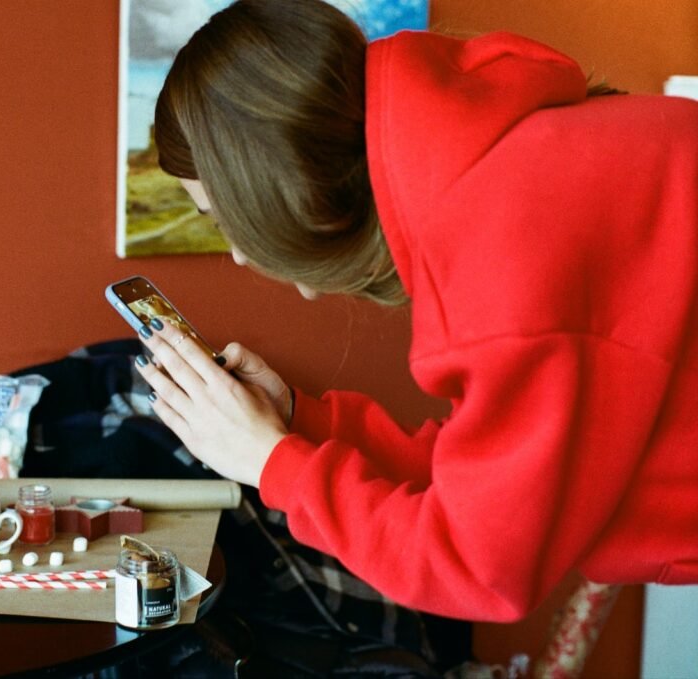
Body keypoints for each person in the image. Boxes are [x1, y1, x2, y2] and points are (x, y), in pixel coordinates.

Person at [132, 0, 698, 622]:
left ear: (277, 196)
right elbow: (486, 480)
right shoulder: (510, 162)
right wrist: (298, 423)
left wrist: (271, 464)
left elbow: (473, 569)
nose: (239, 254)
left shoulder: (499, 256)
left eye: (226, 220)